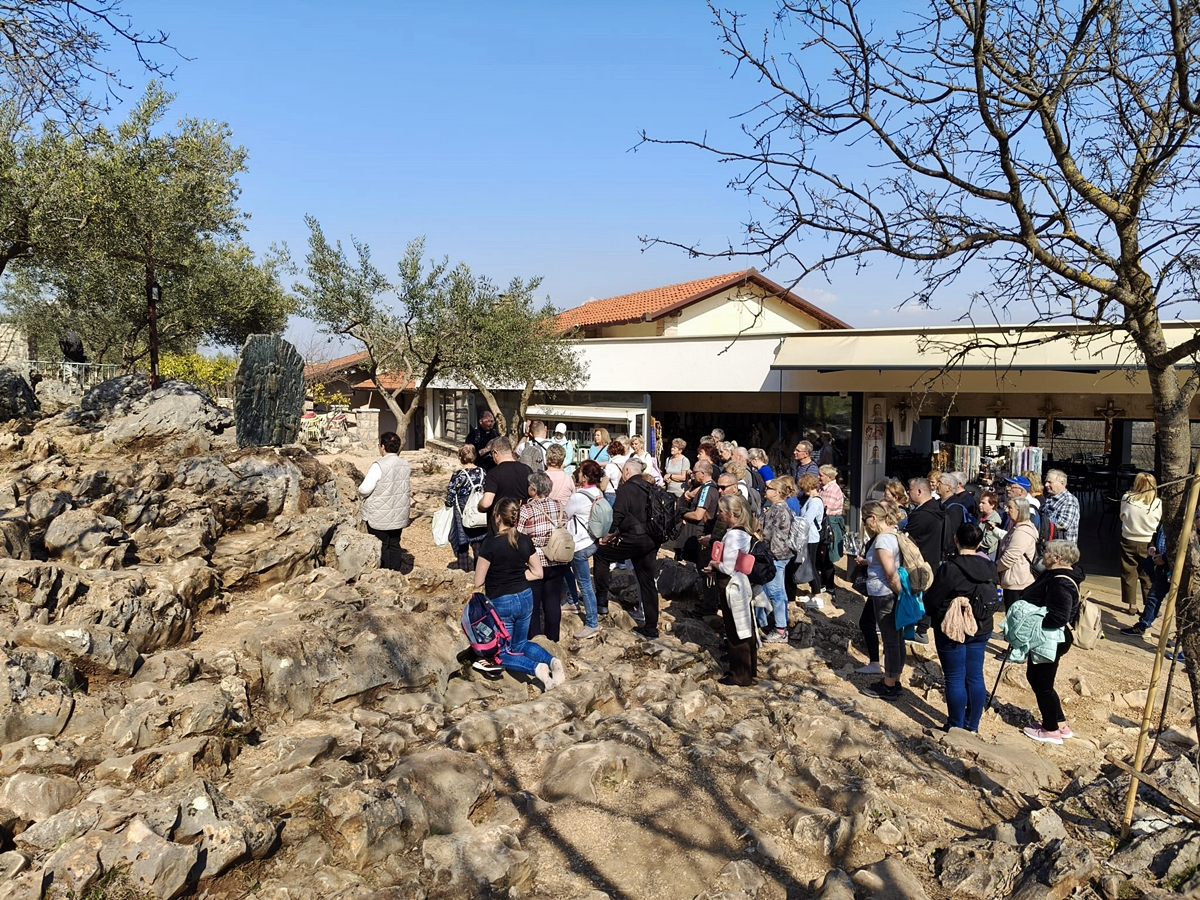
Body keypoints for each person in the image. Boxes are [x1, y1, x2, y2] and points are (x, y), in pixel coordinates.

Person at [474, 497, 564, 691]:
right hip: (525, 596)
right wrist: (519, 576)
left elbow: (478, 581)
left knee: (502, 652)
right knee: (521, 643)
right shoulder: (524, 540)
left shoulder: (490, 543)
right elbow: (538, 573)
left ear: (498, 517)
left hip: (501, 600)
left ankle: (536, 668)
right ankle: (552, 661)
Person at [922, 523, 998, 732]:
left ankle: (955, 725)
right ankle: (972, 725)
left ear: (956, 539)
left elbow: (932, 600)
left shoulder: (950, 568)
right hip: (981, 626)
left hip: (952, 628)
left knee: (955, 677)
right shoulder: (990, 567)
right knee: (975, 676)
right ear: (980, 544)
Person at [591, 459, 663, 639]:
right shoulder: (651, 487)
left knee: (601, 554)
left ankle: (601, 601)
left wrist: (607, 535)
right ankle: (651, 627)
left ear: (628, 471)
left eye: (623, 471)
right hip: (651, 539)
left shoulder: (627, 489)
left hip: (634, 539)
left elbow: (618, 515)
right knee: (647, 581)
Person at [1020, 540, 1084, 743]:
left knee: (1042, 683)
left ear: (1057, 558)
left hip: (1051, 638)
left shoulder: (1060, 582)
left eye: (1046, 552)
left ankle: (1050, 730)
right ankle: (1060, 724)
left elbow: (1059, 616)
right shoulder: (1058, 575)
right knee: (1039, 679)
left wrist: (1030, 623)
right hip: (1053, 637)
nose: (1043, 555)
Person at [854, 500, 906, 699]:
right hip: (889, 593)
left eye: (864, 519)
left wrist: (900, 594)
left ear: (874, 518)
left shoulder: (882, 540)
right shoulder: (892, 534)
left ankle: (889, 684)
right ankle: (895, 680)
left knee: (891, 640)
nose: (864, 523)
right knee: (897, 638)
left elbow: (891, 574)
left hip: (885, 594)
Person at [706, 493, 759, 686]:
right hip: (740, 581)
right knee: (745, 625)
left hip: (730, 584)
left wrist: (714, 564)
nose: (718, 514)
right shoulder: (743, 532)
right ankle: (750, 669)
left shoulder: (733, 535)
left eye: (721, 511)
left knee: (735, 628)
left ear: (730, 514)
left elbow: (727, 567)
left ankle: (740, 675)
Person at [518, 472, 568, 642]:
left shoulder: (526, 509)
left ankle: (535, 640)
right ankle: (553, 640)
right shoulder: (559, 505)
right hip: (557, 558)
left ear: (533, 490)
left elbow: (519, 534)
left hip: (535, 560)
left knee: (532, 604)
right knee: (552, 602)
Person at [358, 431, 411, 571]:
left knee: (381, 545)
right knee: (394, 544)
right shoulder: (405, 464)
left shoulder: (379, 465)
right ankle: (396, 573)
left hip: (379, 514)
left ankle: (384, 574)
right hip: (398, 512)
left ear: (382, 446)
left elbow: (364, 489)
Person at [565, 460, 606, 639]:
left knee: (585, 585)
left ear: (585, 477)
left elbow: (565, 515)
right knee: (566, 568)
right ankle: (572, 600)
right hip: (592, 541)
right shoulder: (598, 492)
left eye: (581, 472)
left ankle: (592, 623)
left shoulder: (578, 497)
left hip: (579, 544)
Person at [758, 479, 796, 643]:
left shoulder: (777, 509)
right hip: (782, 554)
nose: (765, 490)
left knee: (775, 591)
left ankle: (780, 629)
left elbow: (766, 533)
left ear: (777, 492)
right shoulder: (781, 507)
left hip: (775, 555)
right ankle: (777, 623)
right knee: (777, 589)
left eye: (768, 488)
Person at [1119, 472, 1162, 615]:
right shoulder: (1157, 502)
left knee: (1129, 572)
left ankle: (1131, 604)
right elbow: (1159, 521)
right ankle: (1149, 605)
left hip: (1128, 539)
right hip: (1148, 542)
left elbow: (1122, 516)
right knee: (1148, 574)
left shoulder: (1127, 498)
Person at [444, 443, 487, 572]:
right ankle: (480, 573)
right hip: (478, 510)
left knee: (462, 545)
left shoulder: (459, 475)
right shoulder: (482, 472)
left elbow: (451, 493)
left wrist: (448, 504)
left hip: (462, 512)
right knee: (478, 543)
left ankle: (463, 573)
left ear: (461, 457)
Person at [478, 437, 533, 532]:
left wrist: (479, 505)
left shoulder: (494, 473)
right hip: (522, 522)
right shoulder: (527, 470)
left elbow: (486, 503)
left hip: (500, 525)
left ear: (495, 452)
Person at [996, 496, 1038, 608]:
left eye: (1010, 508)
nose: (1006, 510)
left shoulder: (1022, 532)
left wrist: (993, 569)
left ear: (1020, 510)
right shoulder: (1017, 528)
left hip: (1018, 583)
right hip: (1014, 581)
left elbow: (1009, 558)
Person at [676, 460, 719, 565]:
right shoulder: (709, 486)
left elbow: (697, 515)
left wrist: (682, 514)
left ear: (702, 473)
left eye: (694, 472)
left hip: (696, 535)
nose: (692, 475)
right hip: (698, 534)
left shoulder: (707, 489)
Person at [817, 465, 845, 594]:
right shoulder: (823, 487)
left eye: (821, 475)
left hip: (830, 524)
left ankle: (829, 586)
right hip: (825, 523)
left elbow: (825, 508)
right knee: (822, 555)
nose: (818, 477)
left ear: (829, 477)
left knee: (827, 555)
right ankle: (824, 583)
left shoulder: (832, 489)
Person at [797, 473, 825, 599]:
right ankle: (815, 591)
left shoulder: (814, 501)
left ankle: (817, 593)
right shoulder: (813, 499)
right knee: (810, 564)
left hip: (811, 537)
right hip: (810, 536)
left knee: (811, 565)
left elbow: (807, 520)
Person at [1041, 469, 1080, 543]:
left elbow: (1062, 525)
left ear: (1062, 483)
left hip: (1062, 547)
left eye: (1050, 482)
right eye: (1046, 482)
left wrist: (1040, 525)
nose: (1046, 485)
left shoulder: (1069, 501)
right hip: (1049, 544)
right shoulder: (1049, 497)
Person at [978, 490, 1006, 560]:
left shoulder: (994, 520)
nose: (980, 505)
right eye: (980, 502)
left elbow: (989, 542)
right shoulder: (982, 516)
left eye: (983, 503)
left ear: (992, 505)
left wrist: (974, 540)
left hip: (987, 555)